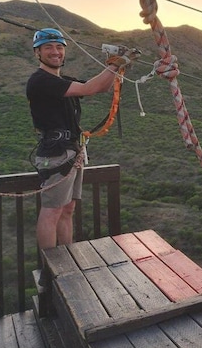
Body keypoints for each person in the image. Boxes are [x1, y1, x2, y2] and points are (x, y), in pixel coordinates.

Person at [26, 28, 135, 254]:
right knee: (52, 211)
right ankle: (51, 269)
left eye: (59, 47)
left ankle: (68, 259)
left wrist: (116, 67)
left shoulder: (62, 81)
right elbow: (90, 88)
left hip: (70, 150)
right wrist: (115, 64)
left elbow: (101, 87)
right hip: (57, 153)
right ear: (37, 53)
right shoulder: (40, 81)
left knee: (67, 209)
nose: (55, 52)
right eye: (48, 47)